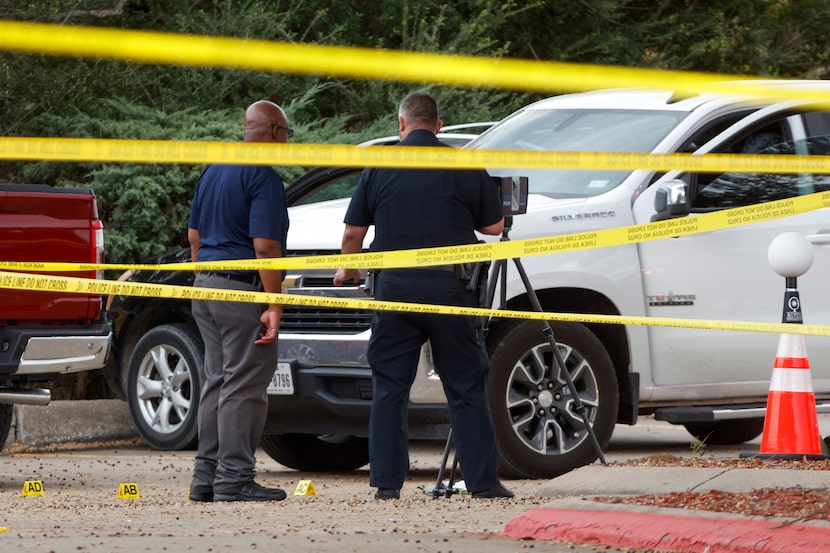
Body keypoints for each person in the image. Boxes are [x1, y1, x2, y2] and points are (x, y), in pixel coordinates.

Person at [334, 91, 514, 500]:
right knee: (465, 385)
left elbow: (352, 235)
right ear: (439, 126)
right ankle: (483, 484)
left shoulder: (379, 167)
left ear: (400, 125)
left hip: (394, 291)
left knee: (390, 387)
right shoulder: (464, 164)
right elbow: (492, 227)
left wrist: (350, 265)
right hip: (450, 291)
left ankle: (386, 485)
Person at [187, 100, 290, 502]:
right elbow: (265, 247)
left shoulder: (214, 170)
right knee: (244, 386)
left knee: (218, 381)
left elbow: (194, 238)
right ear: (275, 132)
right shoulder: (262, 177)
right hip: (240, 290)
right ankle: (234, 478)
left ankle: (206, 478)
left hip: (206, 288)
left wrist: (204, 279)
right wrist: (274, 304)